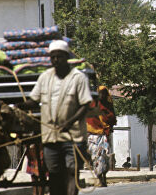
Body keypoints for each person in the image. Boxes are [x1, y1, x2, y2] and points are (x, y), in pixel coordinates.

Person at [18, 40, 92, 195]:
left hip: (73, 136)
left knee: (72, 171)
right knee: (54, 174)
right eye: (53, 57)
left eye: (59, 56)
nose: (56, 60)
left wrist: (69, 123)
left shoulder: (78, 78)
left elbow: (85, 105)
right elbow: (34, 100)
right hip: (50, 136)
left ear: (66, 57)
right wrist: (18, 107)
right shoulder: (45, 77)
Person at [86, 85, 117, 187]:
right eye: (100, 93)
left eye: (103, 93)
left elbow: (112, 118)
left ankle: (104, 177)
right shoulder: (92, 105)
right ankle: (100, 179)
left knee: (105, 158)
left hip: (104, 137)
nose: (101, 95)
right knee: (97, 159)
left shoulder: (107, 106)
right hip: (93, 136)